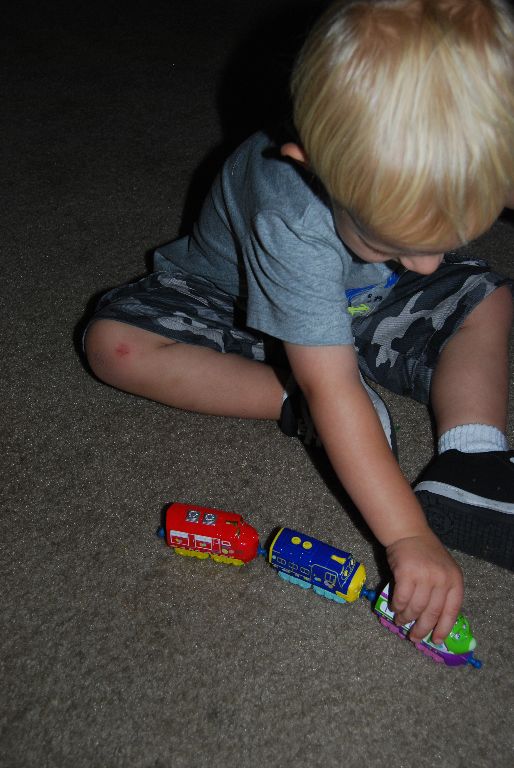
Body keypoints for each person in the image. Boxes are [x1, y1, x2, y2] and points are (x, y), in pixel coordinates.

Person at [84, 0, 514, 644]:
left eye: (448, 235)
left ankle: (474, 457)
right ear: (309, 165)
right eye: (394, 240)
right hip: (229, 303)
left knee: (489, 298)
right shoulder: (289, 217)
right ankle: (295, 399)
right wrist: (407, 535)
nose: (427, 263)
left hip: (371, 300)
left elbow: (432, 250)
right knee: (113, 345)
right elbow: (330, 381)